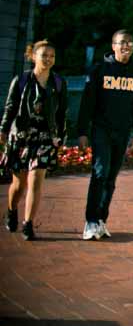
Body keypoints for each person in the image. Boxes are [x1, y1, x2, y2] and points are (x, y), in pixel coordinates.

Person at [77, 29, 133, 240]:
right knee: (100, 173)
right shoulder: (99, 70)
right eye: (122, 42)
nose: (126, 46)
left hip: (123, 131)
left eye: (130, 43)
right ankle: (90, 222)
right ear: (113, 45)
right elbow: (87, 103)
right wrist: (82, 131)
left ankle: (101, 221)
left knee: (111, 178)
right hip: (101, 130)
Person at [0, 40, 68, 240]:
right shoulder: (21, 80)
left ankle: (28, 224)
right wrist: (3, 130)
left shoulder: (58, 83)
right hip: (21, 137)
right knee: (19, 185)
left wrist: (61, 135)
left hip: (45, 138)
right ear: (33, 56)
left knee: (36, 181)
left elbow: (62, 113)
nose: (48, 59)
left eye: (51, 56)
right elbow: (10, 108)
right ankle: (12, 211)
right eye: (44, 55)